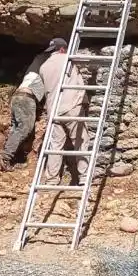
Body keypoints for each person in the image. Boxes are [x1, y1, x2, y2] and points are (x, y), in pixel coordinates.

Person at [38, 37, 91, 184]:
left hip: (53, 110)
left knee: (56, 145)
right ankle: (84, 177)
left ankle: (52, 180)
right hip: (71, 106)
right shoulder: (68, 59)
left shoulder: (43, 67)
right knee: (81, 141)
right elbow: (88, 60)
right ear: (63, 49)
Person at [0, 50, 50, 172]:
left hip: (17, 97)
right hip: (26, 98)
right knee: (24, 129)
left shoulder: (35, 66)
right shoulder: (46, 63)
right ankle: (5, 158)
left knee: (17, 128)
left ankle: (12, 159)